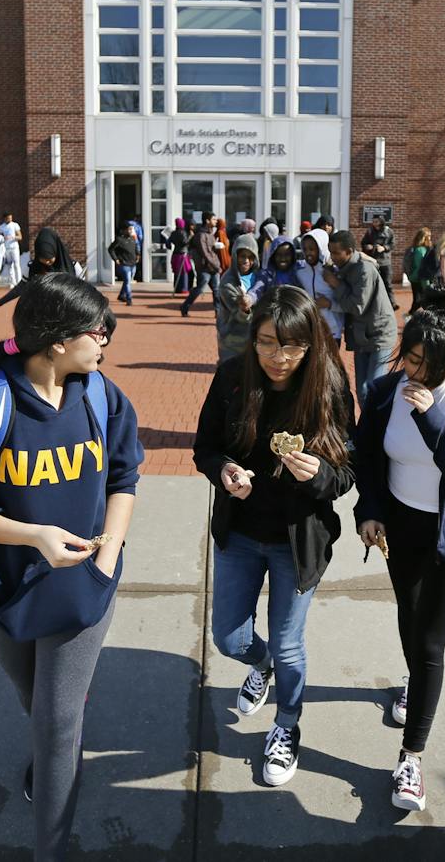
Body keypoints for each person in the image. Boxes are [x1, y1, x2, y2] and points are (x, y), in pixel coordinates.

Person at [0, 273, 143, 861]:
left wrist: (107, 556)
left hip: (80, 593)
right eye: (98, 331)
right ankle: (57, 752)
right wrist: (34, 536)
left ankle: (51, 843)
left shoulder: (102, 395)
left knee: (54, 721)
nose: (105, 342)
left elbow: (125, 475)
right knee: (39, 704)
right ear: (56, 340)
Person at [192, 286, 356, 788]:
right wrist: (224, 472)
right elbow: (205, 449)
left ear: (310, 344)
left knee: (289, 646)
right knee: (228, 637)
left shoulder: (328, 384)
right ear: (253, 336)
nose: (277, 358)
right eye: (266, 343)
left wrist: (319, 477)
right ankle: (257, 664)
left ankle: (287, 726)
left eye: (291, 346)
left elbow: (347, 472)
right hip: (241, 532)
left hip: (297, 540)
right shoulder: (231, 379)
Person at [353, 291, 445, 812]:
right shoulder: (384, 389)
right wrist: (369, 508)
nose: (413, 371)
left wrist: (432, 416)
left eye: (425, 365)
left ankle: (411, 757)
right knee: (412, 622)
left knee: (431, 641)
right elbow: (366, 454)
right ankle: (414, 687)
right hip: (401, 528)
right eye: (408, 359)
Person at [324, 230, 398, 408]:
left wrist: (336, 284)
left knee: (374, 389)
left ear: (349, 251)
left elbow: (357, 306)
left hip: (380, 334)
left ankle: (378, 431)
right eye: (330, 252)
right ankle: (367, 429)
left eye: (336, 252)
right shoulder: (344, 268)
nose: (332, 257)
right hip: (361, 336)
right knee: (362, 391)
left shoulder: (364, 270)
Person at [0, 227, 78, 311]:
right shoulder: (31, 268)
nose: (47, 263)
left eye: (50, 260)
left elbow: (83, 295)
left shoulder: (74, 267)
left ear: (56, 252)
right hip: (42, 314)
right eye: (43, 259)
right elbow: (20, 289)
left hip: (67, 314)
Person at [215, 233, 260, 361]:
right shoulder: (228, 282)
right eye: (242, 256)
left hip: (253, 339)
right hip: (232, 340)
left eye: (250, 257)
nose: (246, 261)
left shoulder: (259, 277)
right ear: (235, 256)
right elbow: (238, 314)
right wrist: (245, 309)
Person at [295, 228, 343, 346]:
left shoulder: (334, 273)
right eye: (305, 249)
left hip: (332, 331)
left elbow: (348, 302)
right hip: (309, 331)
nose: (308, 253)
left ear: (322, 248)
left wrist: (329, 304)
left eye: (312, 249)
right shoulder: (299, 272)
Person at [180, 216, 222, 318]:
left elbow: (211, 251)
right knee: (200, 289)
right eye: (213, 219)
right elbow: (205, 253)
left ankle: (218, 312)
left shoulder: (210, 233)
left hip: (213, 266)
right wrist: (216, 265)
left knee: (217, 290)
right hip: (205, 267)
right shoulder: (201, 235)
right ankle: (185, 306)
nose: (216, 221)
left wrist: (216, 247)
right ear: (207, 220)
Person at [361, 214, 399, 311]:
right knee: (373, 283)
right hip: (373, 261)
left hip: (385, 262)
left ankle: (392, 303)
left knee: (387, 284)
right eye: (373, 221)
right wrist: (367, 246)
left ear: (381, 221)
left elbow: (393, 244)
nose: (374, 224)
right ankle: (373, 304)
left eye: (376, 221)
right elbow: (363, 243)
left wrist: (384, 248)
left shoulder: (388, 231)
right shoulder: (369, 232)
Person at [403, 227, 435, 313]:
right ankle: (411, 316)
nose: (430, 238)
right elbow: (420, 266)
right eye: (429, 236)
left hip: (415, 277)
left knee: (418, 299)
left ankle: (412, 316)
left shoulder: (417, 248)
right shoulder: (420, 250)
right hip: (419, 278)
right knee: (420, 300)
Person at [108, 224, 139, 306]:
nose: (130, 231)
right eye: (129, 229)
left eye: (131, 230)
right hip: (124, 264)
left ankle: (121, 295)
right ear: (124, 230)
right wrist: (116, 259)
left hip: (132, 263)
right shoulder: (119, 240)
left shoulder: (133, 239)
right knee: (128, 281)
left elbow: (135, 248)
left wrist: (138, 255)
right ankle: (129, 299)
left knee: (127, 281)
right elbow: (111, 249)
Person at [0, 213, 24, 288]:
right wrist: (2, 239)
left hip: (14, 248)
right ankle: (13, 282)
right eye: (8, 218)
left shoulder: (15, 225)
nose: (10, 219)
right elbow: (0, 237)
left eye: (11, 218)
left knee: (16, 264)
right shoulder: (1, 227)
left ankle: (19, 282)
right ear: (5, 218)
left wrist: (12, 237)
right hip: (6, 248)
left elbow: (20, 237)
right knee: (9, 265)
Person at [169, 218, 192, 295]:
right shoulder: (183, 232)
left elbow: (168, 243)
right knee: (184, 271)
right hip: (183, 254)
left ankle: (177, 288)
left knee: (177, 272)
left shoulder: (173, 233)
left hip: (175, 254)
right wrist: (190, 237)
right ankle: (184, 288)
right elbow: (185, 242)